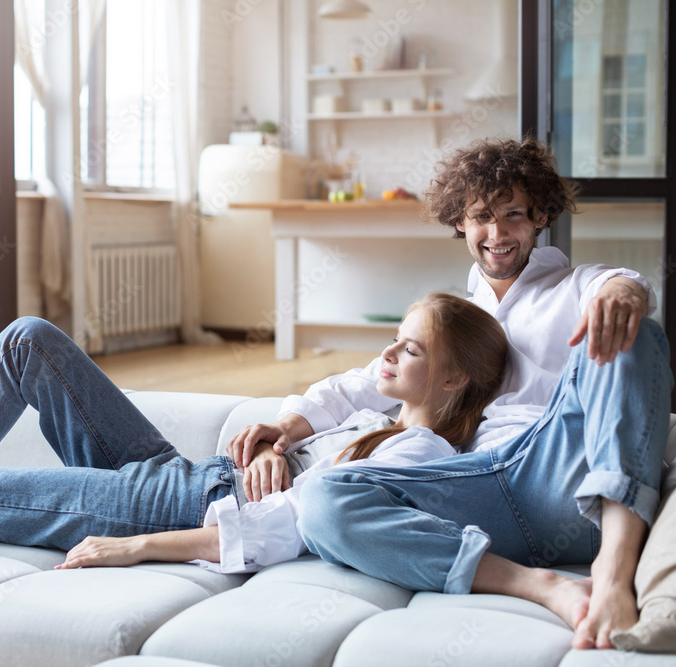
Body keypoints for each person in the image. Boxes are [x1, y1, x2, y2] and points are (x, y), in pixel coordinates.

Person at [0, 293, 507, 577]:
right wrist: (267, 445)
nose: (387, 353)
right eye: (393, 337)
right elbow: (316, 415)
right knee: (30, 340)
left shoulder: (419, 451)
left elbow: (291, 530)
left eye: (410, 346)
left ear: (456, 378)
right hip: (181, 472)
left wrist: (134, 548)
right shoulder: (377, 414)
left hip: (176, 505)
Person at [226, 136, 669, 650]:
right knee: (326, 499)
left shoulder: (576, 287)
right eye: (482, 216)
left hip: (561, 470)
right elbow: (371, 379)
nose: (497, 232)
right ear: (460, 221)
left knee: (631, 330)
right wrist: (288, 424)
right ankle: (542, 586)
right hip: (477, 487)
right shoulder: (462, 313)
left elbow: (624, 283)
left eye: (514, 215)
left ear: (541, 216)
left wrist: (622, 294)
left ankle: (613, 574)